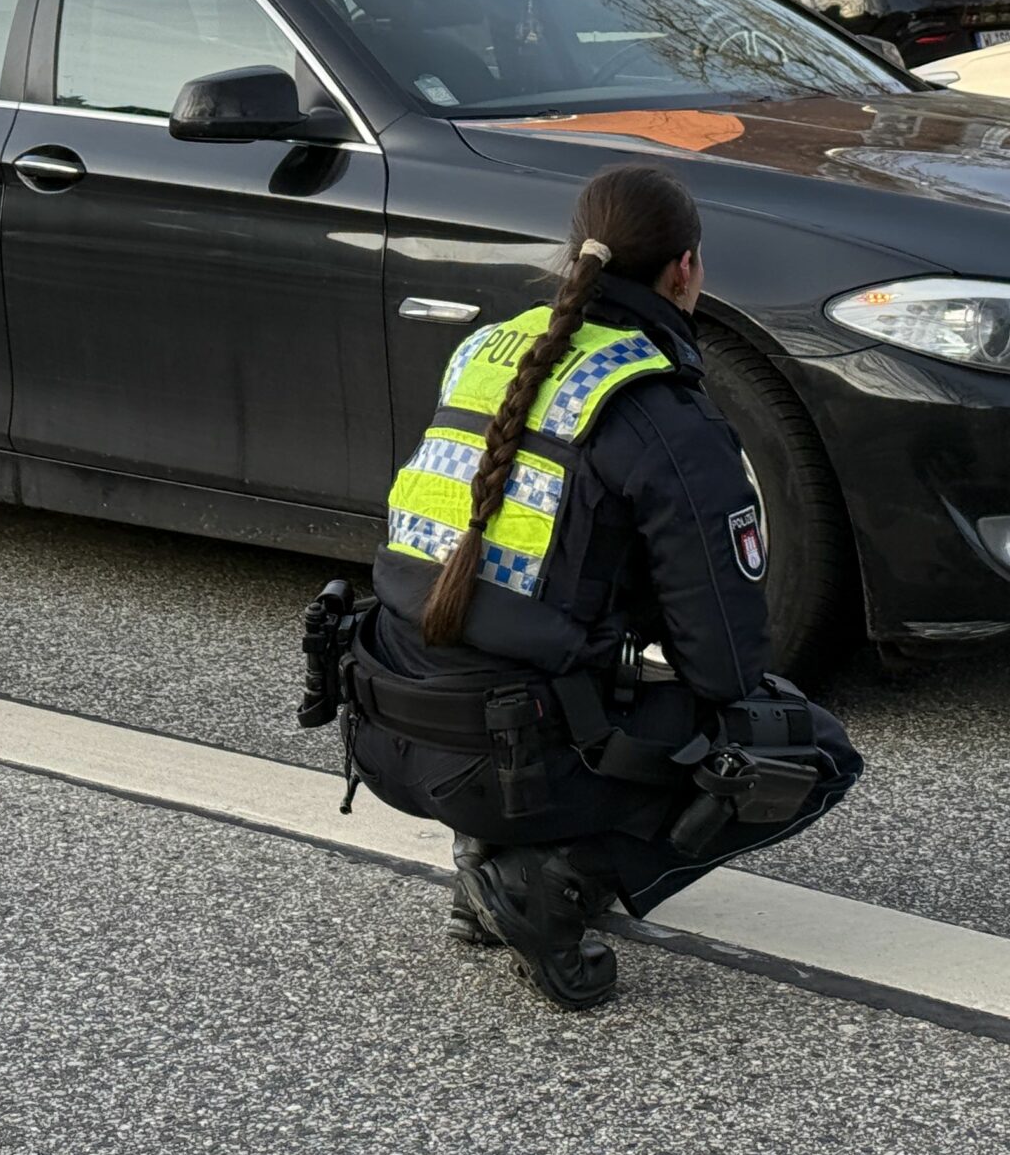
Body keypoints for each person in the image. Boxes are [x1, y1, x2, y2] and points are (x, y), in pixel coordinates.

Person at [338, 163, 860, 1010]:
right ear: (684, 270)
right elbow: (723, 662)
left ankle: (484, 861)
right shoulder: (658, 409)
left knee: (534, 657)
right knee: (807, 752)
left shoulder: (486, 350)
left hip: (389, 716)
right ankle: (548, 884)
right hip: (500, 754)